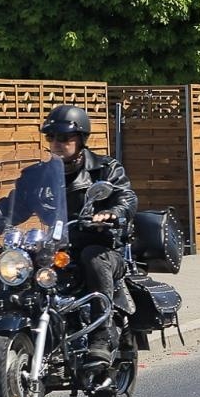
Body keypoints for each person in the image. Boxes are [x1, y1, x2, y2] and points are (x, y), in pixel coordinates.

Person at [35, 104, 138, 361]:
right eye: (51, 137)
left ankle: (101, 335)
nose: (56, 143)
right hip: (60, 249)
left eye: (64, 138)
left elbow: (126, 196)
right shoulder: (42, 174)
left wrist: (114, 212)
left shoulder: (105, 168)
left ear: (81, 139)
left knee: (93, 257)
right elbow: (18, 199)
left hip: (102, 246)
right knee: (23, 266)